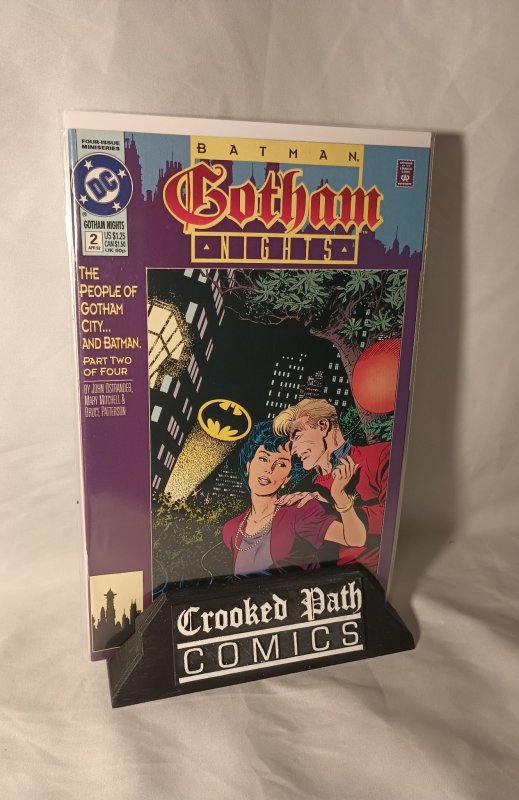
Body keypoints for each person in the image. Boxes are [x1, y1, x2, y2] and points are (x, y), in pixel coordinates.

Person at [222, 420, 366, 575]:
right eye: (263, 459)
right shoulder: (231, 529)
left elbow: (355, 539)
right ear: (248, 466)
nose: (269, 469)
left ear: (288, 478)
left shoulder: (299, 510)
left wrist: (339, 495)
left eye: (281, 464)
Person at [273, 398, 390, 572]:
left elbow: (393, 517)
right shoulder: (307, 490)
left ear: (323, 426)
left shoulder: (381, 454)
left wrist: (331, 506)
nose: (293, 450)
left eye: (297, 437)